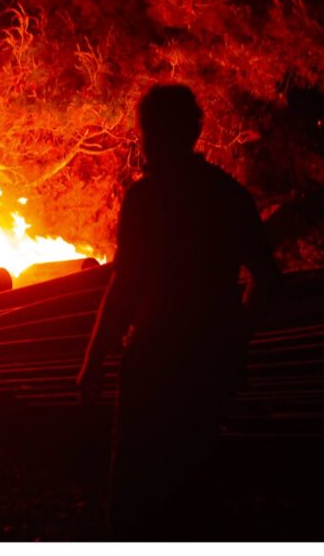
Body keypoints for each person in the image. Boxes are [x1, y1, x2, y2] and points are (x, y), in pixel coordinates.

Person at [75, 83, 279, 539]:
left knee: (137, 487)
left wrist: (94, 359)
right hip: (207, 364)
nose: (143, 143)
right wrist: (233, 338)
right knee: (193, 483)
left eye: (146, 132)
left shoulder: (147, 199)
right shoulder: (229, 196)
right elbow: (268, 279)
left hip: (153, 358)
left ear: (158, 134)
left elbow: (125, 285)